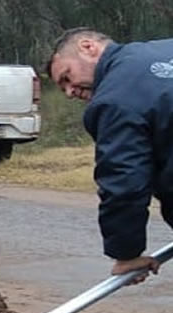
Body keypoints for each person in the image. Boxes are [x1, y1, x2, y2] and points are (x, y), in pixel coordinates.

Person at [46, 28, 173, 285]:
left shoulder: (114, 100)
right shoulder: (165, 48)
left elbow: (124, 180)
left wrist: (126, 253)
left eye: (67, 77)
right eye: (63, 88)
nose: (70, 92)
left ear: (88, 47)